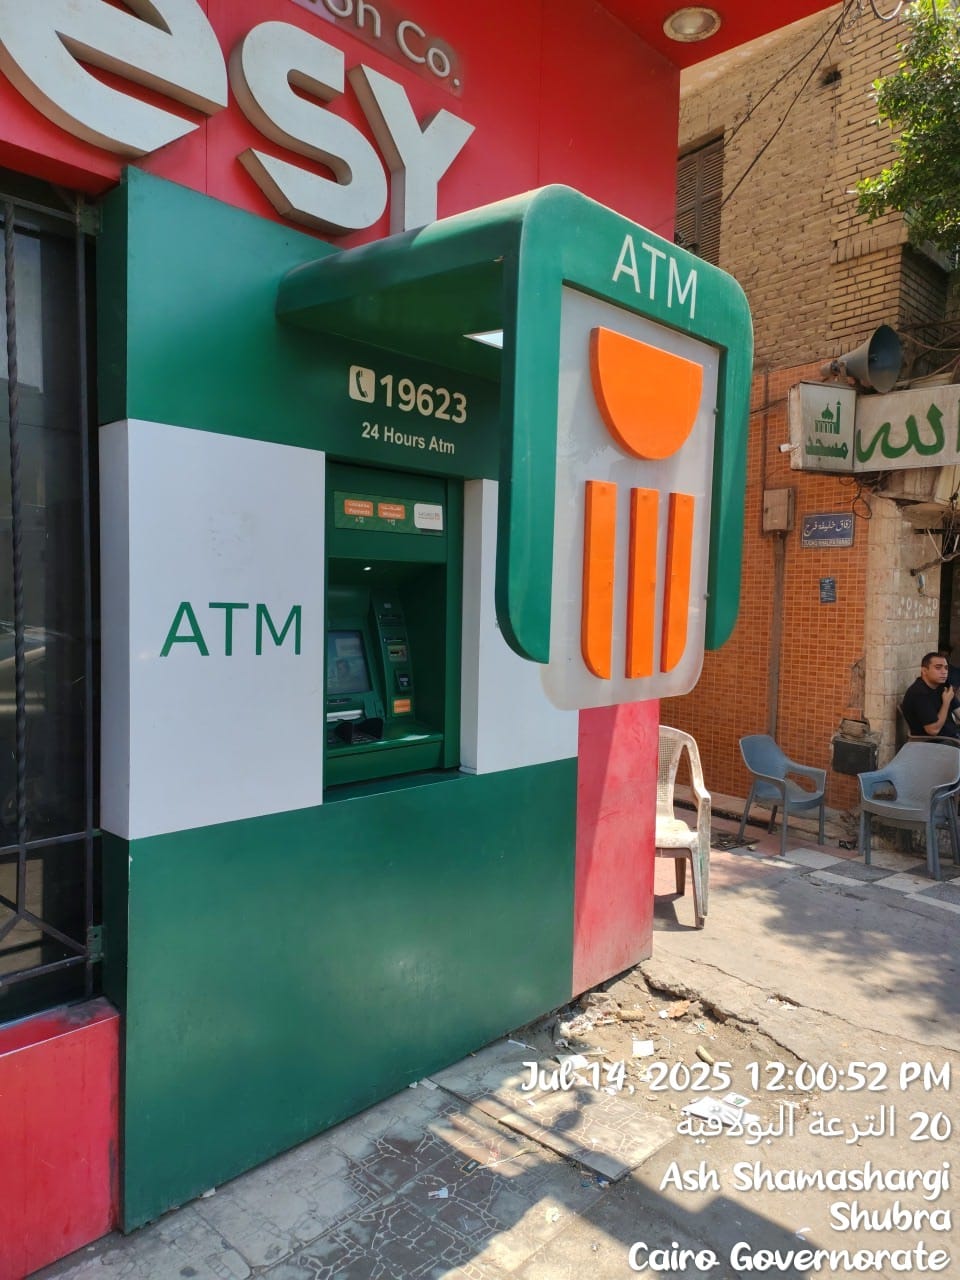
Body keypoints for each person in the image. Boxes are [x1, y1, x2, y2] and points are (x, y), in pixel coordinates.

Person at [902, 652, 960, 740]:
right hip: (937, 742)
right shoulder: (919, 693)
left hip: (954, 736)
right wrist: (946, 703)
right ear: (924, 671)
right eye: (938, 668)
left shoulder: (942, 686)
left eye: (946, 668)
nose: (944, 672)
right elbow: (933, 730)